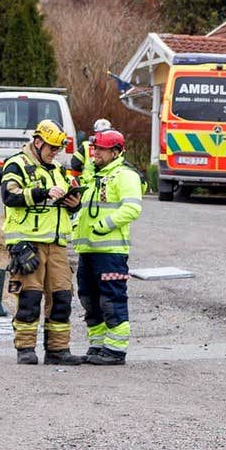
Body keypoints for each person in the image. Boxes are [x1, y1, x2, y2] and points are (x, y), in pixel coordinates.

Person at [1, 119, 82, 365]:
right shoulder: (17, 164)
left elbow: (65, 207)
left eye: (58, 149)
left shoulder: (58, 170)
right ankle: (25, 349)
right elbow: (9, 195)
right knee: (29, 298)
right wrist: (42, 193)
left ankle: (58, 350)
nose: (55, 153)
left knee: (62, 298)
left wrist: (74, 204)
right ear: (37, 142)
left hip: (57, 245)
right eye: (51, 148)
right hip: (29, 244)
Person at [73, 129, 144, 366]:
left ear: (116, 152)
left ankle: (115, 351)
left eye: (101, 149)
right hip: (89, 251)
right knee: (89, 299)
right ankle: (97, 346)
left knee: (111, 300)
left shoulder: (125, 176)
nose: (95, 153)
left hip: (111, 254)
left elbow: (132, 208)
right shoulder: (93, 176)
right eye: (95, 149)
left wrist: (104, 225)